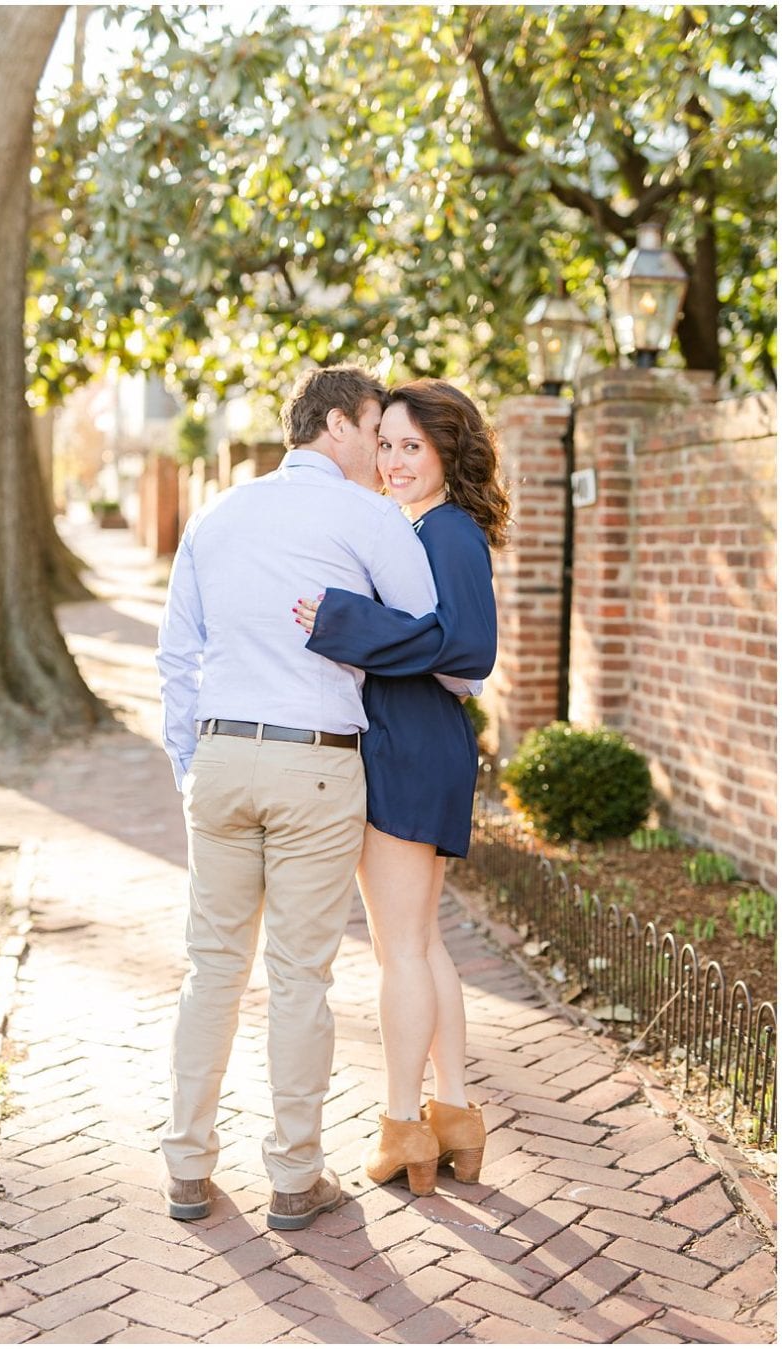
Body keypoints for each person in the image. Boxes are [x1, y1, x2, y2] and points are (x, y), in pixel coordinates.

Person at [155, 365, 442, 1232]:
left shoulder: (217, 514)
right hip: (316, 761)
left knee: (211, 968)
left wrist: (188, 767)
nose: (383, 449)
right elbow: (428, 624)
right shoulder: (368, 518)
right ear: (341, 424)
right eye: (375, 429)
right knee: (299, 976)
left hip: (221, 756)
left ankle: (186, 1169)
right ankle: (293, 1177)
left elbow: (177, 659)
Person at [292, 379, 506, 1196]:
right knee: (421, 941)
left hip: (412, 749)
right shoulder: (422, 527)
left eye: (411, 446)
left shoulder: (446, 531)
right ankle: (453, 1115)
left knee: (401, 949)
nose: (392, 461)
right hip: (423, 745)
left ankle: (400, 1125)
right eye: (385, 445)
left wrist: (343, 619)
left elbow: (466, 649)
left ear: (448, 451)